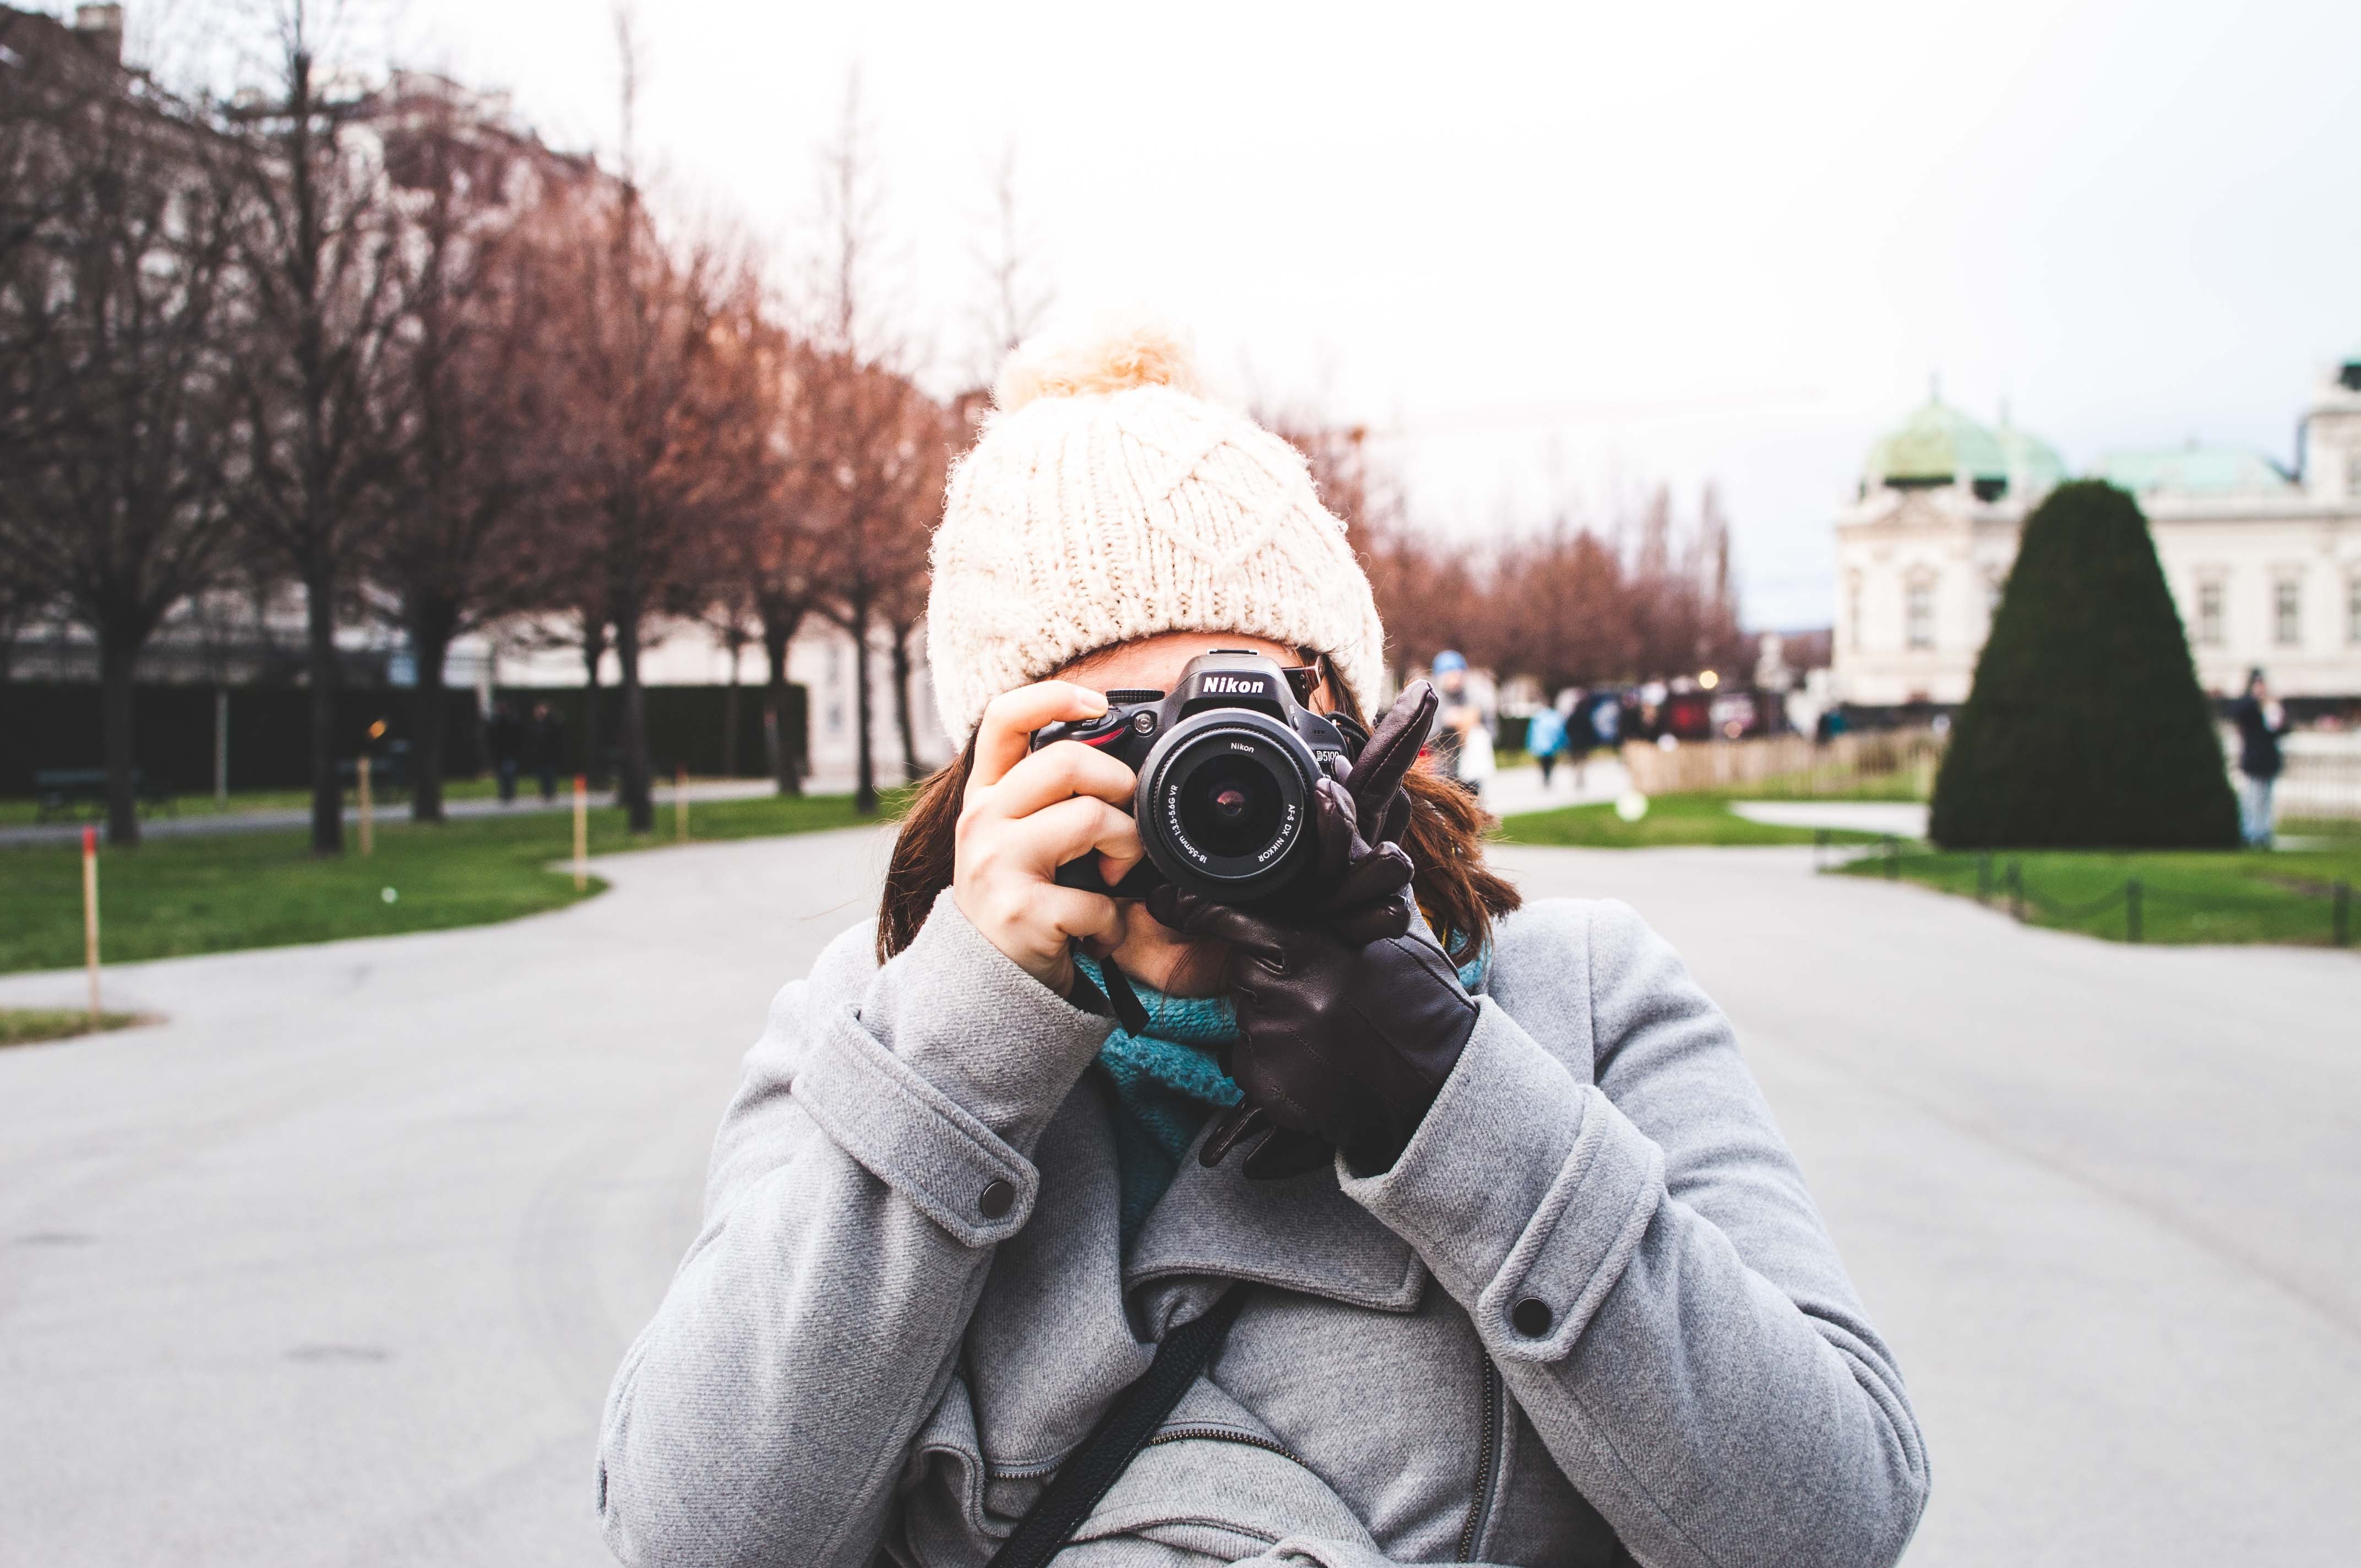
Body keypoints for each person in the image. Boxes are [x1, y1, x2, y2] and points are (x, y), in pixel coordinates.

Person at [596, 317, 1928, 1568]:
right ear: (989, 776)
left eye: (1259, 721)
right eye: (1120, 733)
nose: (1202, 785)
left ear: (1367, 733)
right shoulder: (874, 1030)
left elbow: (1832, 1512)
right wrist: (962, 1039)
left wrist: (1453, 1103)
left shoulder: (1575, 998)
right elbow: (690, 1534)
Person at [2231, 668, 2292, 847]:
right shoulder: (2249, 706)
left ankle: (2263, 832)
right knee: (2252, 799)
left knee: (2266, 800)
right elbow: (2238, 713)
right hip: (2254, 760)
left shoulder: (2270, 707)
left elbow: (2280, 730)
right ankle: (2251, 833)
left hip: (2268, 760)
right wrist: (2255, 699)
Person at [1524, 699, 1568, 789]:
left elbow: (1532, 732)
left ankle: (1546, 778)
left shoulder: (1538, 717)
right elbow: (1560, 730)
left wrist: (1531, 744)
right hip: (1552, 745)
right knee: (1550, 762)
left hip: (1541, 745)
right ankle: (1548, 777)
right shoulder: (1554, 716)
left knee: (1544, 763)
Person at [527, 703, 565, 803]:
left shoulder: (551, 723)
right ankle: (545, 792)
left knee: (549, 774)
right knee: (542, 775)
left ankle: (550, 792)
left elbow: (557, 730)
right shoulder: (536, 724)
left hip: (549, 754)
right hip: (541, 755)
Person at [486, 701, 522, 804]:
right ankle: (508, 793)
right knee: (506, 775)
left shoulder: (498, 722)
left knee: (506, 775)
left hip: (505, 753)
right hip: (505, 753)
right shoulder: (509, 721)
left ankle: (507, 793)